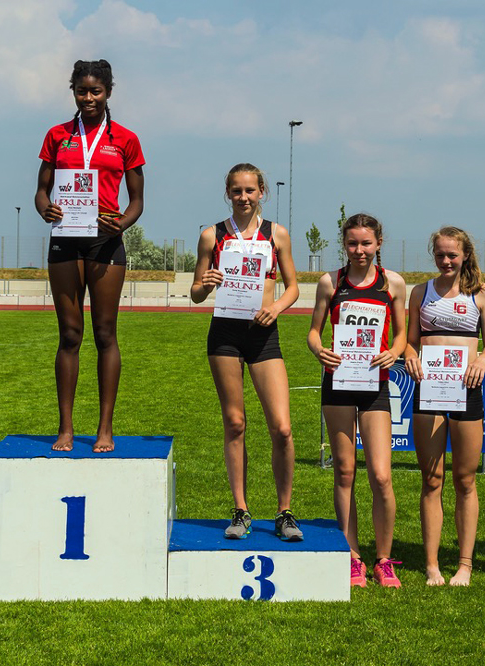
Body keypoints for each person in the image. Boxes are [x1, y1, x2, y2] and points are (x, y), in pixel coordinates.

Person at [34, 59, 145, 453]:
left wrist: (121, 224)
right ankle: (65, 428)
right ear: (74, 92)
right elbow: (41, 191)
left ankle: (104, 428)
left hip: (105, 241)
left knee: (104, 333)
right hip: (66, 239)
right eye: (82, 91)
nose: (89, 98)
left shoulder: (126, 139)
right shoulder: (57, 135)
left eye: (96, 91)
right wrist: (45, 209)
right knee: (69, 335)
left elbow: (137, 201)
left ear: (108, 92)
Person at [191, 163, 302, 542]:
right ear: (228, 193)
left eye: (250, 190)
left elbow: (292, 287)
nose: (243, 197)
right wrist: (206, 283)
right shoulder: (212, 235)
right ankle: (240, 509)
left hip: (263, 335)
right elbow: (196, 292)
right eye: (236, 191)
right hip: (225, 335)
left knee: (282, 428)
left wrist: (277, 307)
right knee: (235, 423)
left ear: (261, 192)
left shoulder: (277, 234)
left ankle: (284, 512)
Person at [308, 213, 407, 587]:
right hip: (338, 383)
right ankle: (353, 557)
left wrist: (394, 352)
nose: (359, 250)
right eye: (352, 243)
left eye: (366, 243)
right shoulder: (330, 282)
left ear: (378, 242)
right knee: (345, 470)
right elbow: (314, 332)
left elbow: (401, 335)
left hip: (374, 384)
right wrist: (320, 351)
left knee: (381, 475)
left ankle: (384, 559)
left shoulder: (392, 283)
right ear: (344, 244)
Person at [404, 227, 485, 586]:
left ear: (465, 255)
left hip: (466, 390)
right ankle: (431, 564)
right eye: (440, 255)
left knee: (465, 479)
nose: (446, 261)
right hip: (429, 390)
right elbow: (410, 341)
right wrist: (411, 356)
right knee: (432, 479)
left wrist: (482, 360)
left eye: (452, 255)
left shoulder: (482, 293)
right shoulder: (420, 292)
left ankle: (464, 564)